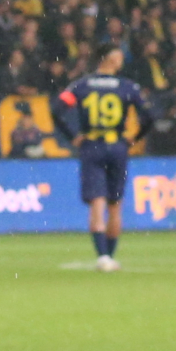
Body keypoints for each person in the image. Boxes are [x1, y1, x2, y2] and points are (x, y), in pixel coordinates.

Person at [55, 46, 154, 272]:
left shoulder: (82, 85)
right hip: (118, 146)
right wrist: (134, 138)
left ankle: (102, 257)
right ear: (112, 60)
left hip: (92, 145)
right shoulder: (128, 87)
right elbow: (148, 116)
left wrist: (73, 136)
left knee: (97, 202)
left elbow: (57, 109)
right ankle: (110, 254)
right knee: (115, 204)